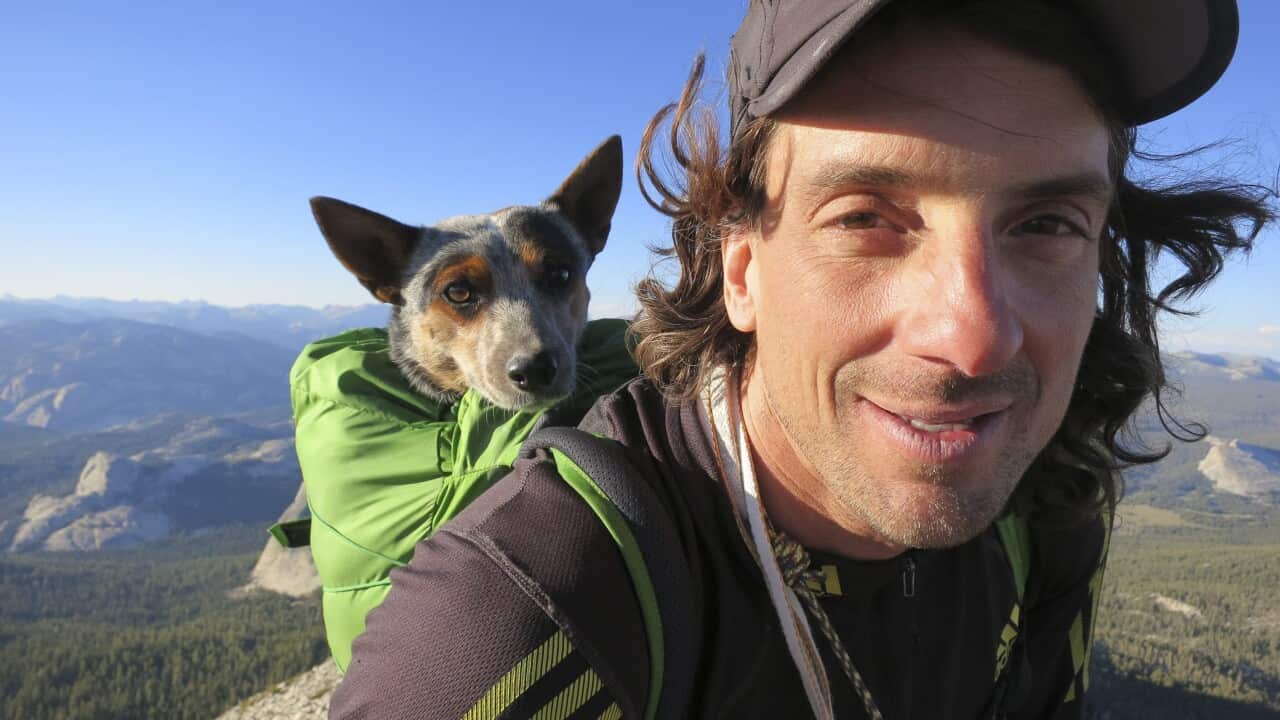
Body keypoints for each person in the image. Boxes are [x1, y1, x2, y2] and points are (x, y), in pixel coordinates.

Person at [329, 0, 1273, 718]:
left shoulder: (1051, 501)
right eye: (864, 216)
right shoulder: (519, 618)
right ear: (740, 267)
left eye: (1046, 223)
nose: (973, 334)